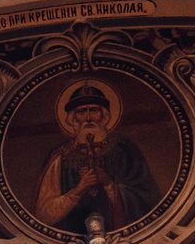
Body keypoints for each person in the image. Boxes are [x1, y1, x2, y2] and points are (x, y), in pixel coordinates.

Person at [32, 82, 161, 235]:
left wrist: (109, 184)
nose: (88, 118)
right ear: (72, 118)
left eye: (93, 110)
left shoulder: (125, 150)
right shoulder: (60, 157)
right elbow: (43, 215)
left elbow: (148, 200)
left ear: (104, 115)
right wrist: (78, 190)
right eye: (81, 112)